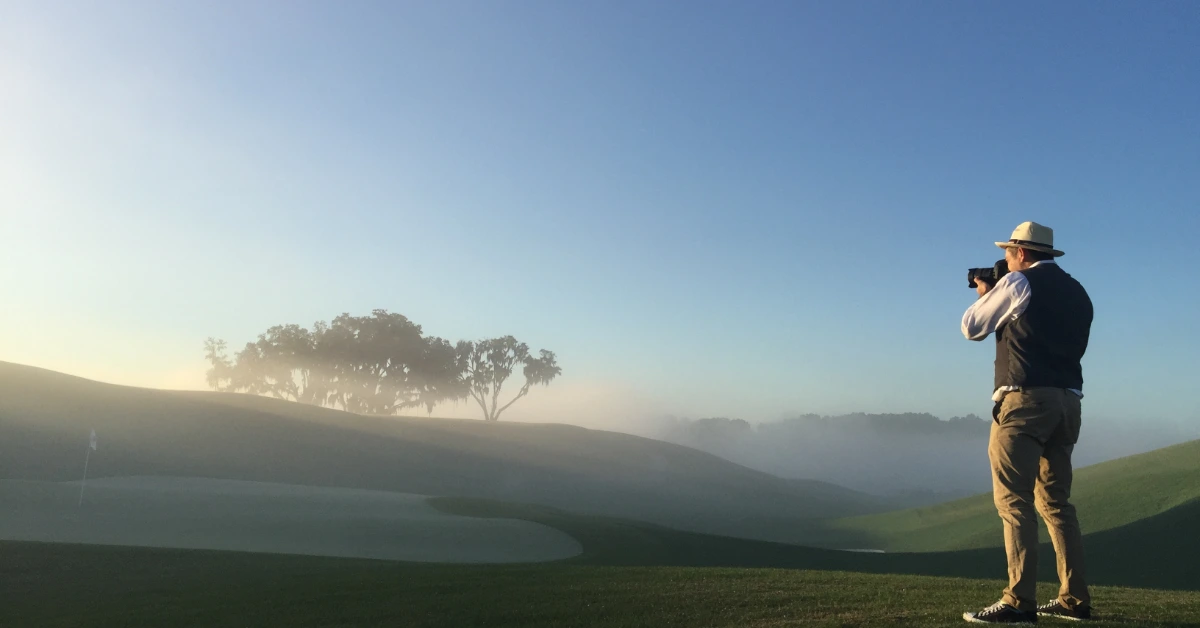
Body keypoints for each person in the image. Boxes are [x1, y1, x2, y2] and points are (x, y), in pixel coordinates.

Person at [960, 222, 1094, 624]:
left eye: (1008, 252)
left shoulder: (1018, 284)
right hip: (1069, 402)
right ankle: (1074, 599)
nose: (1005, 259)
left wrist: (990, 292)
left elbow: (971, 328)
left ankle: (1019, 601)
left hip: (1024, 401)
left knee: (1013, 501)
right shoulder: (1079, 293)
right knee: (1057, 504)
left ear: (1020, 252)